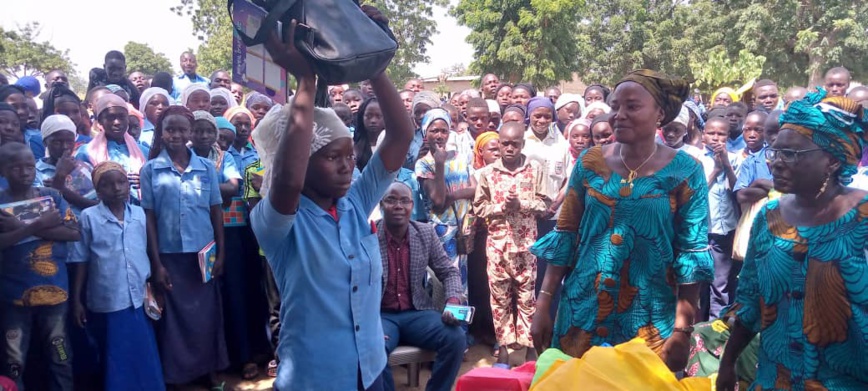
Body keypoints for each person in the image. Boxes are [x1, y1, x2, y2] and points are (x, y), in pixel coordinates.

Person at [249, 8, 414, 389]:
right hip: (314, 378)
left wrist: (370, 58)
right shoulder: (276, 224)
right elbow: (287, 182)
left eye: (348, 156)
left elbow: (400, 136)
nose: (346, 166)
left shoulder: (354, 206)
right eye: (331, 157)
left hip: (371, 369)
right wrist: (305, 81)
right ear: (302, 160)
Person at [530, 70, 713, 373]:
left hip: (649, 322)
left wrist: (683, 329)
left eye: (632, 107)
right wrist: (544, 304)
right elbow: (566, 235)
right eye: (615, 106)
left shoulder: (686, 171)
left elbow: (690, 253)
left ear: (661, 114)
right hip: (581, 313)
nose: (619, 115)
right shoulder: (590, 162)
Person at [716, 90, 868, 391]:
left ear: (833, 160)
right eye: (775, 151)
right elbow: (750, 300)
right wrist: (727, 364)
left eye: (792, 154)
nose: (776, 163)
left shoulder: (863, 218)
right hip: (776, 380)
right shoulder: (770, 216)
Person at [141, 106, 228, 389]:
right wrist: (156, 263)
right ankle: (177, 375)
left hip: (203, 254)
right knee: (175, 319)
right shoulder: (151, 169)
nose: (176, 134)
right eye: (170, 129)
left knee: (205, 315)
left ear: (190, 132)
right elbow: (149, 217)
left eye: (182, 129)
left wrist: (222, 253)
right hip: (169, 255)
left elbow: (216, 211)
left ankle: (210, 370)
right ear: (161, 133)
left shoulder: (205, 168)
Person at [69, 161, 164, 391]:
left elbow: (149, 249)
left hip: (138, 295)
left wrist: (157, 274)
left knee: (143, 349)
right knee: (115, 351)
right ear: (98, 190)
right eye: (108, 184)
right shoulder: (89, 218)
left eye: (121, 182)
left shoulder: (139, 214)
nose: (117, 188)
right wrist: (77, 299)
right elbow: (81, 259)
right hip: (108, 296)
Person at [0, 141, 80, 391]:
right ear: (2, 170)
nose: (25, 172)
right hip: (13, 296)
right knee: (14, 361)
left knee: (61, 354)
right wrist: (36, 225)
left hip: (55, 293)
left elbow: (74, 232)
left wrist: (21, 226)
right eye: (16, 168)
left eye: (29, 166)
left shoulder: (52, 197)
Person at [474, 122, 550, 366]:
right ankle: (505, 347)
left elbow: (545, 205)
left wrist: (522, 204)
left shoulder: (535, 169)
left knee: (527, 299)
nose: (509, 148)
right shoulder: (487, 173)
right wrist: (501, 207)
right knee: (500, 300)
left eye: (514, 144)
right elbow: (479, 207)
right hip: (497, 247)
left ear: (522, 144)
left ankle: (529, 347)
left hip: (526, 247)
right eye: (504, 143)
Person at [377, 182, 466, 391]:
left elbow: (448, 271)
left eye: (404, 201)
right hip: (380, 315)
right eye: (391, 200)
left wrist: (452, 301)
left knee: (455, 338)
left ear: (412, 205)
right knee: (372, 347)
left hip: (417, 312)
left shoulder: (425, 233)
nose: (398, 206)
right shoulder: (369, 235)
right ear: (381, 205)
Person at [416, 108, 475, 300]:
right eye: (434, 131)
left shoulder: (460, 156)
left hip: (463, 228)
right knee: (446, 279)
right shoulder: (424, 164)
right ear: (426, 133)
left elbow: (475, 189)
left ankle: (462, 327)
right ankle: (445, 324)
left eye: (444, 130)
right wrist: (439, 164)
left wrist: (453, 195)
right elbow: (439, 201)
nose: (440, 135)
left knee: (463, 277)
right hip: (442, 230)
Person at [75, 95, 148, 206]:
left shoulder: (143, 151)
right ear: (100, 121)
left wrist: (145, 181)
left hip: (139, 216)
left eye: (122, 117)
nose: (117, 122)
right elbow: (83, 191)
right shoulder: (87, 153)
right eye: (110, 117)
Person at [701, 117, 741, 321]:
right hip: (701, 230)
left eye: (721, 134)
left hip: (725, 230)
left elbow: (738, 191)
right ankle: (694, 329)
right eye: (711, 133)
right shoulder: (696, 159)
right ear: (703, 135)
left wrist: (726, 164)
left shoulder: (735, 158)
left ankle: (715, 327)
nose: (716, 138)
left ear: (728, 137)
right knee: (698, 282)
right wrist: (716, 169)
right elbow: (695, 193)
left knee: (721, 282)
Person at [34, 115, 98, 215]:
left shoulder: (85, 168)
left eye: (69, 141)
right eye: (57, 142)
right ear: (45, 143)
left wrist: (62, 189)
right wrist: (60, 176)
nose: (65, 147)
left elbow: (99, 206)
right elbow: (40, 210)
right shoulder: (35, 172)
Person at [734, 110, 781, 205]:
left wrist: (757, 184)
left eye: (779, 131)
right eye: (770, 132)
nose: (774, 137)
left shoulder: (800, 158)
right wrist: (762, 183)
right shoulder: (751, 160)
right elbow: (741, 196)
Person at [223, 106, 259, 185]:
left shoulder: (258, 154)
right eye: (238, 124)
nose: (243, 129)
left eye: (247, 125)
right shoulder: (222, 153)